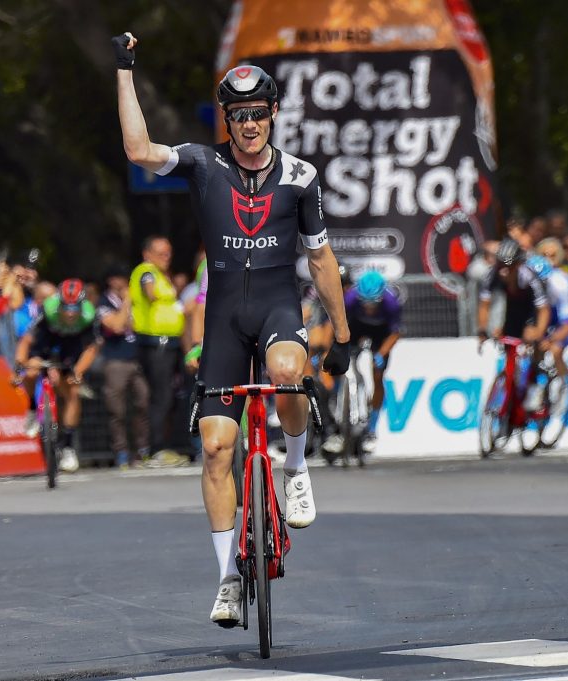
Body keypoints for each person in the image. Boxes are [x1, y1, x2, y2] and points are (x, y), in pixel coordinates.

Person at [115, 33, 351, 628]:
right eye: (238, 115)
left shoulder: (300, 176)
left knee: (287, 373)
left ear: (274, 114)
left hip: (274, 307)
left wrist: (342, 337)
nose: (248, 125)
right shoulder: (202, 162)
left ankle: (295, 467)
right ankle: (226, 578)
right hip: (223, 317)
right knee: (218, 447)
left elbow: (321, 261)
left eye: (258, 114)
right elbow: (140, 150)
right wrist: (124, 69)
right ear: (228, 118)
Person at [14, 278, 99, 473]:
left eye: (74, 308)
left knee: (72, 391)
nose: (70, 313)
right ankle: (32, 409)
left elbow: (91, 349)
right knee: (31, 372)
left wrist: (78, 371)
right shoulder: (49, 309)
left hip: (72, 347)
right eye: (66, 307)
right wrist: (20, 365)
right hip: (47, 341)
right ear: (59, 303)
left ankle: (68, 446)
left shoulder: (88, 315)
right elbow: (26, 341)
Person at [129, 235, 187, 466]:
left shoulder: (162, 274)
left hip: (169, 343)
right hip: (156, 344)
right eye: (161, 253)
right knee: (161, 396)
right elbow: (149, 289)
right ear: (148, 254)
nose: (166, 257)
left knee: (170, 396)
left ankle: (164, 445)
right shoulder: (147, 270)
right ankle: (155, 448)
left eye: (168, 253)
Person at [476, 238, 551, 411]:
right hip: (513, 308)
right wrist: (482, 330)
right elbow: (484, 305)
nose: (503, 271)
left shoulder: (529, 276)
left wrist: (538, 333)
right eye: (500, 265)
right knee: (508, 342)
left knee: (533, 341)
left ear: (518, 265)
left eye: (508, 266)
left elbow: (544, 309)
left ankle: (534, 387)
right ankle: (511, 385)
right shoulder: (493, 273)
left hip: (532, 309)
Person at [97, 266, 151, 470]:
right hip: (116, 361)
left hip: (135, 360)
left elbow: (139, 325)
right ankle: (120, 451)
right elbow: (117, 325)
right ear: (112, 280)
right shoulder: (104, 303)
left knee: (143, 400)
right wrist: (127, 301)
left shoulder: (136, 301)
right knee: (117, 409)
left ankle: (142, 449)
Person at [341, 270, 401, 452]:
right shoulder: (350, 299)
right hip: (356, 328)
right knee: (342, 363)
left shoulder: (391, 303)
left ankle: (372, 427)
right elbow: (339, 324)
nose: (369, 308)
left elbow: (395, 333)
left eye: (373, 303)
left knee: (377, 375)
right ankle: (340, 411)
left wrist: (381, 354)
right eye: (365, 302)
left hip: (381, 334)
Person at [526, 254, 568, 384]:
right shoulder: (529, 285)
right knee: (535, 345)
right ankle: (537, 382)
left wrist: (550, 339)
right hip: (549, 308)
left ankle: (567, 385)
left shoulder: (560, 284)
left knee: (556, 350)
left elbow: (567, 326)